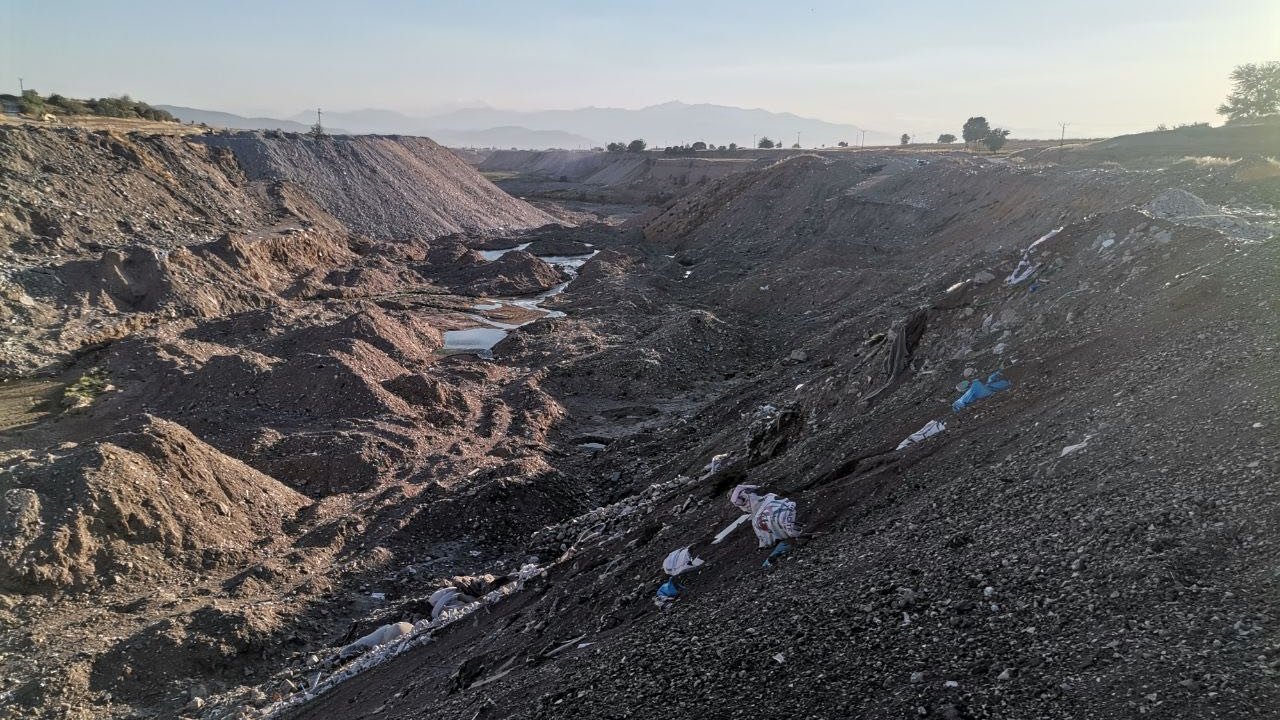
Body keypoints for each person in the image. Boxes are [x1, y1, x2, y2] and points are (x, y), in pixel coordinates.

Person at [729, 484, 803, 565]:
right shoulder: (755, 519)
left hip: (793, 536)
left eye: (741, 500)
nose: (743, 506)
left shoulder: (771, 500)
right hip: (785, 540)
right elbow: (765, 540)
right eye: (738, 504)